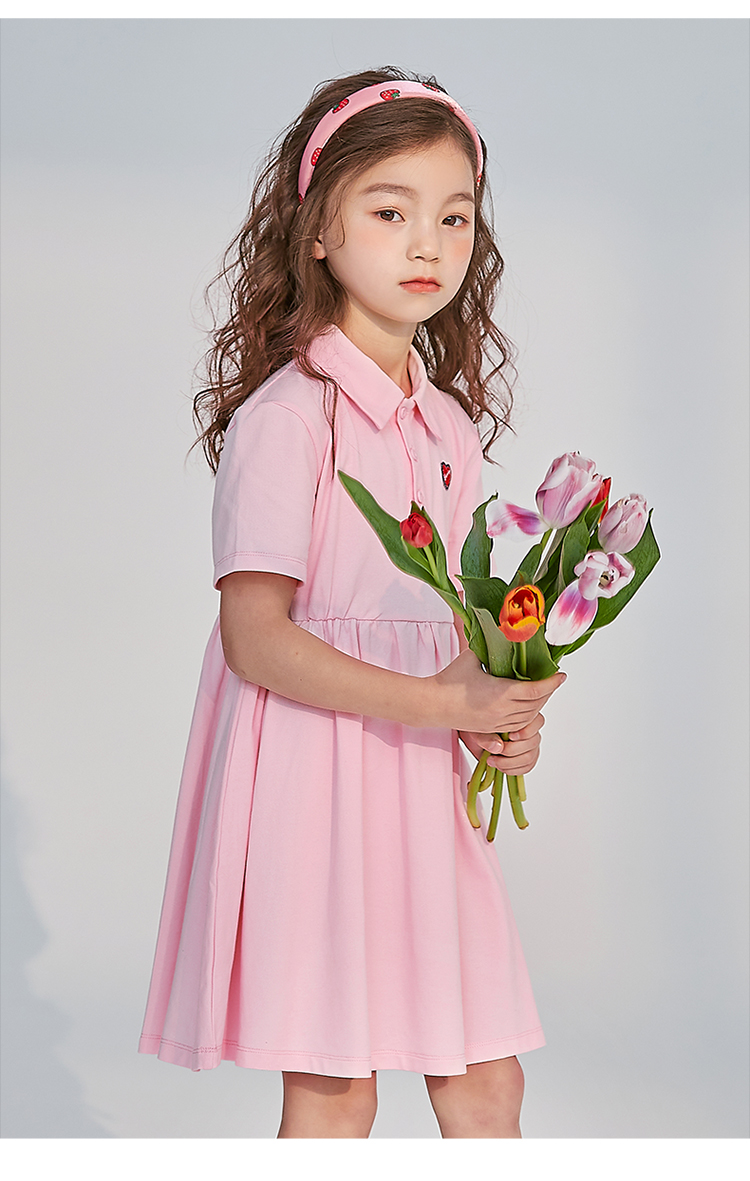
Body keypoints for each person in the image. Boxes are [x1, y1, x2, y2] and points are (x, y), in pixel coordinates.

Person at [138, 66, 566, 1139]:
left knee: (487, 1082)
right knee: (337, 1090)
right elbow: (255, 639)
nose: (429, 244)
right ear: (318, 231)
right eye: (390, 212)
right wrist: (444, 703)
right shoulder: (290, 418)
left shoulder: (447, 427)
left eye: (455, 217)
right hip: (314, 784)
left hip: (420, 787)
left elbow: (457, 628)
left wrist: (497, 721)